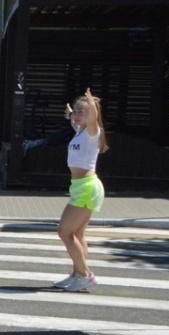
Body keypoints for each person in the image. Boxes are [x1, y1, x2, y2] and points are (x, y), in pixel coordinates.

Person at [53, 88, 109, 293]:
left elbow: (93, 118)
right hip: (80, 187)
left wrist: (90, 103)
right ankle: (77, 275)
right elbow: (75, 120)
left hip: (87, 187)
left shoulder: (94, 132)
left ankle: (85, 274)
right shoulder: (81, 132)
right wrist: (72, 113)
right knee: (77, 234)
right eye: (75, 111)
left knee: (64, 232)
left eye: (81, 112)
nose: (77, 115)